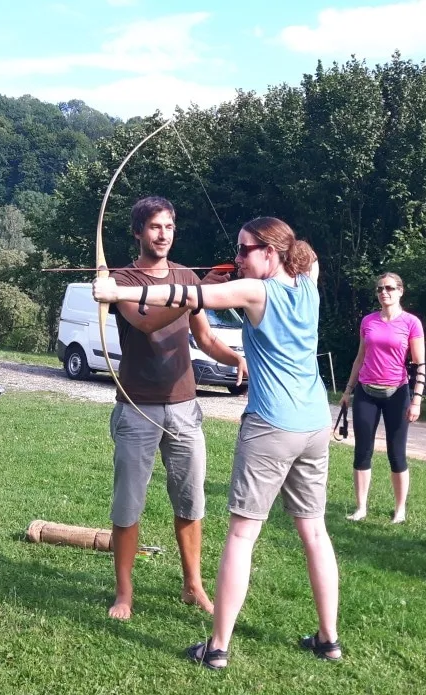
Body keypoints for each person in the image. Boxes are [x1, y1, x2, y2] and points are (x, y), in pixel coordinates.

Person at [94, 216, 341, 670]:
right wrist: (288, 252)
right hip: (313, 424)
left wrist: (118, 292)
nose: (238, 256)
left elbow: (186, 296)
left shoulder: (256, 291)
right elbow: (310, 257)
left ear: (271, 253)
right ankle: (329, 640)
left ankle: (219, 647)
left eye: (246, 249)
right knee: (315, 532)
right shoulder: (309, 284)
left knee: (242, 535)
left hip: (272, 426)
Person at [103, 196, 247, 620]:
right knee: (128, 504)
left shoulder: (185, 276)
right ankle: (125, 594)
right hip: (136, 409)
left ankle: (192, 586)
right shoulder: (121, 279)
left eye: (168, 226)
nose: (162, 234)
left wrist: (233, 358)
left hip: (185, 408)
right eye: (154, 227)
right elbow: (145, 322)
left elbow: (203, 338)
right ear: (138, 232)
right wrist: (191, 295)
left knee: (190, 501)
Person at [340, 273, 426, 522]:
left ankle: (399, 510)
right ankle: (361, 507)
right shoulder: (368, 321)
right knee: (362, 451)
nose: (384, 292)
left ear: (400, 291)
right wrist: (347, 390)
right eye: (379, 289)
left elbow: (419, 363)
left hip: (397, 393)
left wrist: (417, 399)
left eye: (389, 288)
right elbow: (359, 358)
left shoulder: (411, 323)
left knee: (396, 452)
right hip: (366, 391)